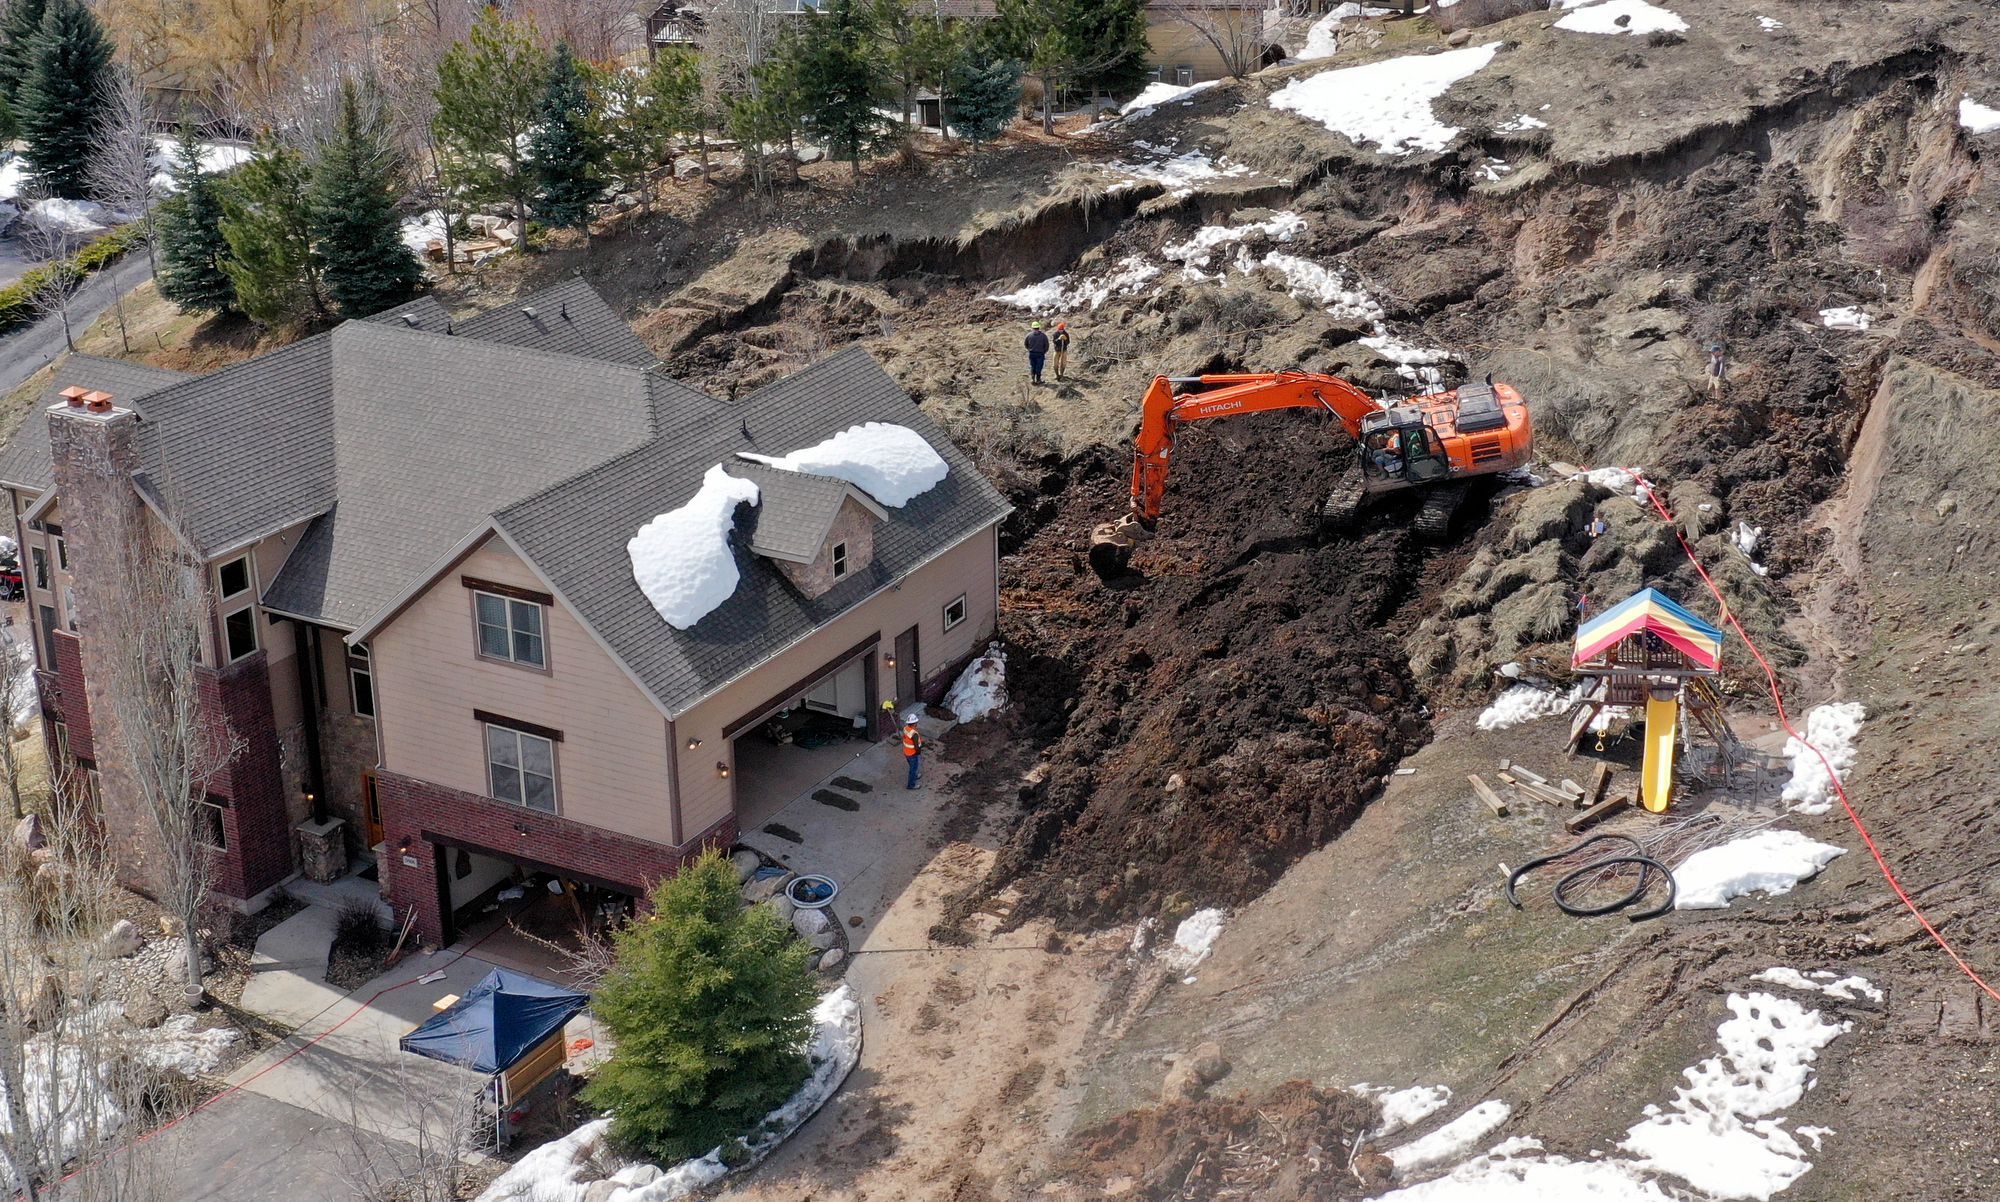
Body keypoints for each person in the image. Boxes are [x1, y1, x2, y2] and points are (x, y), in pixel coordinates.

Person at [901, 713, 925, 790]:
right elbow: (916, 746)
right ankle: (911, 785)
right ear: (914, 724)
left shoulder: (905, 728)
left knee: (912, 767)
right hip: (913, 753)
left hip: (906, 752)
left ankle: (915, 776)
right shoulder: (914, 734)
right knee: (913, 769)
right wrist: (918, 752)